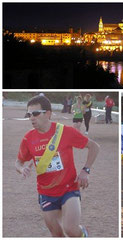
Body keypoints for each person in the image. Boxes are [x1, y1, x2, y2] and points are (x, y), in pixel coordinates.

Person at [15, 95, 100, 237]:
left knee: (71, 229)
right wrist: (21, 169)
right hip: (46, 193)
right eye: (29, 114)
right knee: (57, 234)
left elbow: (94, 147)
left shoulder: (65, 132)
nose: (31, 118)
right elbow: (18, 162)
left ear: (48, 114)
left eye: (35, 113)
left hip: (69, 188)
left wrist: (86, 170)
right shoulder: (28, 138)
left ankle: (83, 234)